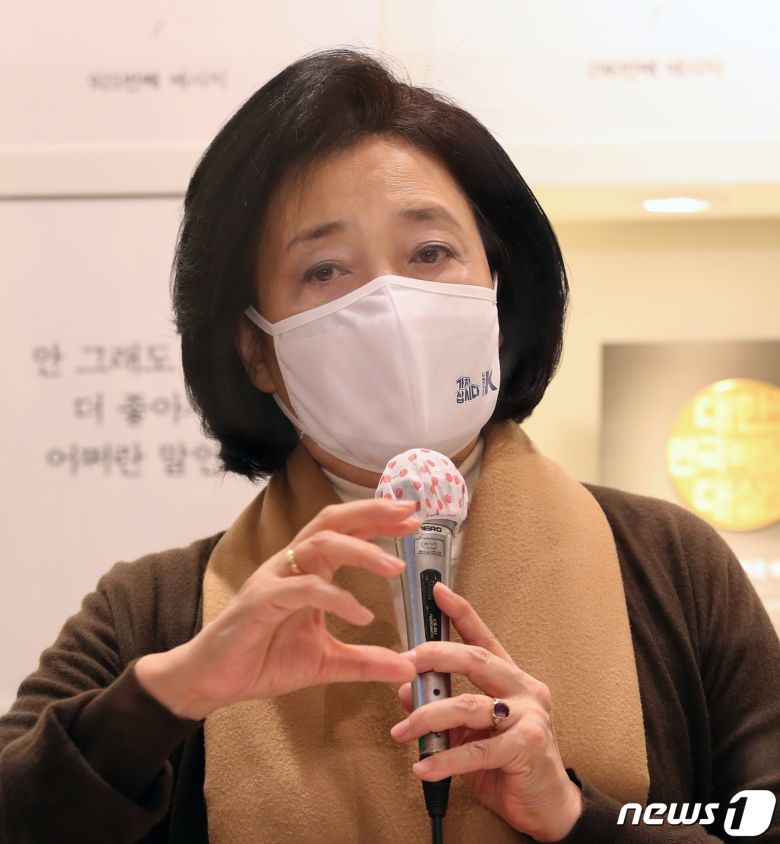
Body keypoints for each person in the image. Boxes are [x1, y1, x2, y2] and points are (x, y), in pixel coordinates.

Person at [1, 47, 778, 844]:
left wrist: (579, 818)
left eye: (430, 253)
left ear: (498, 293)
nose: (390, 303)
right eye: (325, 269)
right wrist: (168, 697)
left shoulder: (670, 567)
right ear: (256, 349)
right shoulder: (157, 611)